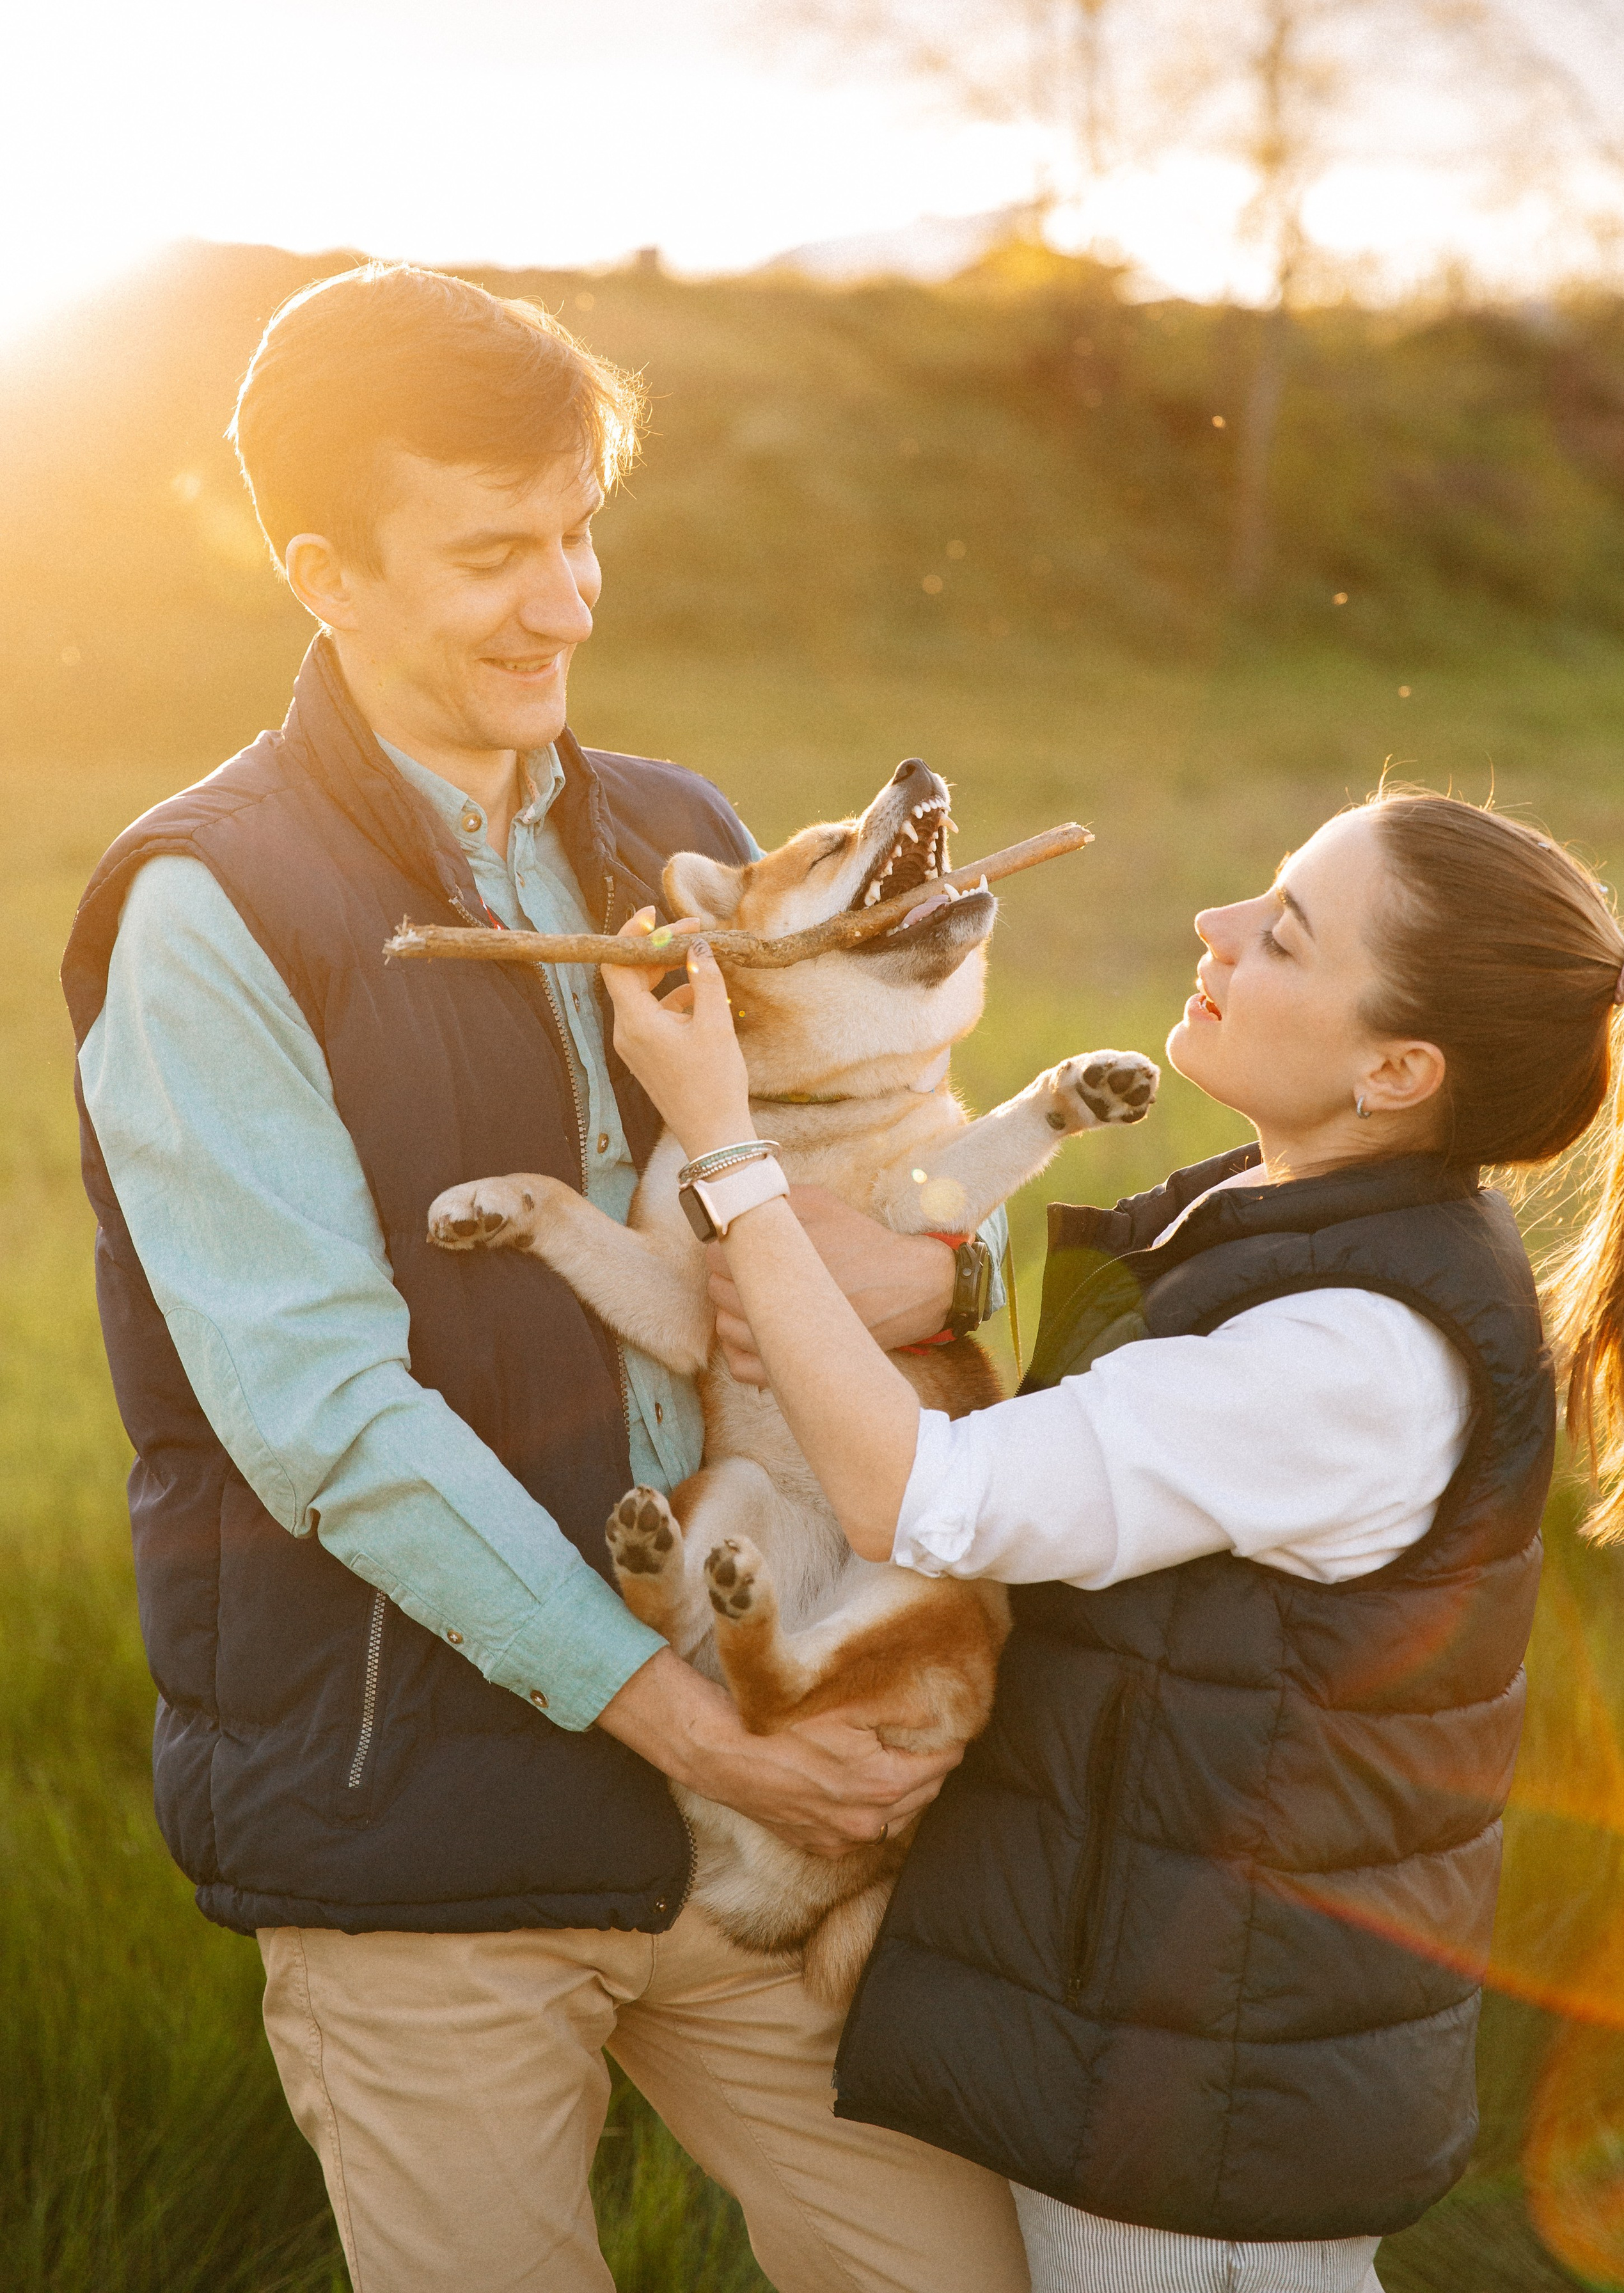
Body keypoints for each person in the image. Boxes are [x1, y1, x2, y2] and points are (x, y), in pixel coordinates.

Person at [61, 262, 1031, 2293]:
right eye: (495, 553)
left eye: (581, 532)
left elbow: (873, 1161)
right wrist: (699, 1724)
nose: (567, 601)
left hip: (753, 1834)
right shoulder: (209, 910)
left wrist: (950, 1263)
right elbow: (322, 1421)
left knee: (967, 2277)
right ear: (321, 571)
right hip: (425, 1831)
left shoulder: (677, 833)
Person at [602, 786, 1624, 2293]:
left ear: (1395, 1068)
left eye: (1280, 934)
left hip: (1199, 2148)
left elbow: (922, 1496)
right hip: (1150, 2051)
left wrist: (725, 1143)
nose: (1214, 928)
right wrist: (935, 1274)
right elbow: (1060, 1393)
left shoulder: (1352, 1351)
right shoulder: (1284, 1210)